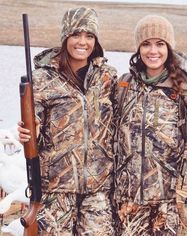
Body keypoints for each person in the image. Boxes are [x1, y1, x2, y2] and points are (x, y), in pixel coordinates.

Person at [18, 7, 118, 235]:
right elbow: (34, 126)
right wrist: (27, 132)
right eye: (76, 34)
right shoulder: (42, 78)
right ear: (65, 37)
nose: (82, 42)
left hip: (98, 189)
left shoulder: (107, 77)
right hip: (56, 189)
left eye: (89, 36)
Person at [112, 15, 187, 235]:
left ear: (169, 48)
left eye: (160, 44)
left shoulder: (186, 89)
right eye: (146, 44)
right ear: (138, 49)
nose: (153, 51)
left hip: (171, 203)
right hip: (130, 202)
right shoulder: (124, 85)